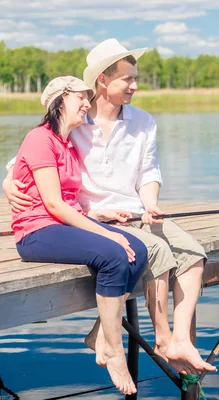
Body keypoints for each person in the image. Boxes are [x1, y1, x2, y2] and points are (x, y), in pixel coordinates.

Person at [2, 39, 216, 376]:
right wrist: (7, 183)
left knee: (192, 253)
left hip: (135, 210)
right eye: (127, 79)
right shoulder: (74, 121)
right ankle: (159, 338)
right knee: (154, 251)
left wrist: (151, 204)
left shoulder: (143, 121)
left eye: (135, 78)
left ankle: (181, 340)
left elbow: (149, 169)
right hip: (94, 218)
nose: (135, 86)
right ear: (103, 79)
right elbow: (24, 160)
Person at [11, 76, 148, 395]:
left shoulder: (67, 143)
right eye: (80, 98)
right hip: (36, 232)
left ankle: (100, 333)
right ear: (59, 102)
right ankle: (114, 349)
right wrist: (107, 236)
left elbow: (68, 202)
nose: (88, 104)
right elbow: (54, 204)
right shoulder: (39, 139)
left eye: (89, 98)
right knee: (114, 253)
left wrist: (100, 218)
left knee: (137, 250)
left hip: (60, 225)